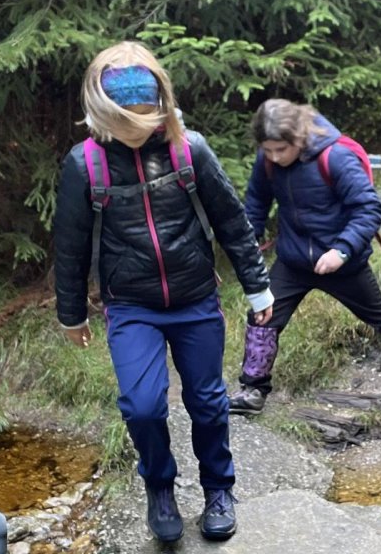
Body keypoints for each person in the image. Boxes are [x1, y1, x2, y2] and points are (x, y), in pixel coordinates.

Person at [54, 42, 274, 543]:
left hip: (195, 299)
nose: (137, 132)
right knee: (143, 407)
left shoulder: (189, 149)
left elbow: (232, 222)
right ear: (102, 114)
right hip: (131, 307)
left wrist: (258, 287)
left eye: (145, 119)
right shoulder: (84, 165)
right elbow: (69, 248)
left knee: (208, 402)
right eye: (125, 123)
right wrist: (72, 314)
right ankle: (159, 487)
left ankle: (219, 489)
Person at [228, 99, 381, 414]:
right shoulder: (268, 160)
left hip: (342, 262)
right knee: (264, 316)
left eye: (280, 150)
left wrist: (341, 251)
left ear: (299, 137)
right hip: (293, 259)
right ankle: (253, 390)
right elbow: (257, 202)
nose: (273, 157)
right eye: (267, 150)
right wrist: (249, 241)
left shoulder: (336, 157)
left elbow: (368, 209)